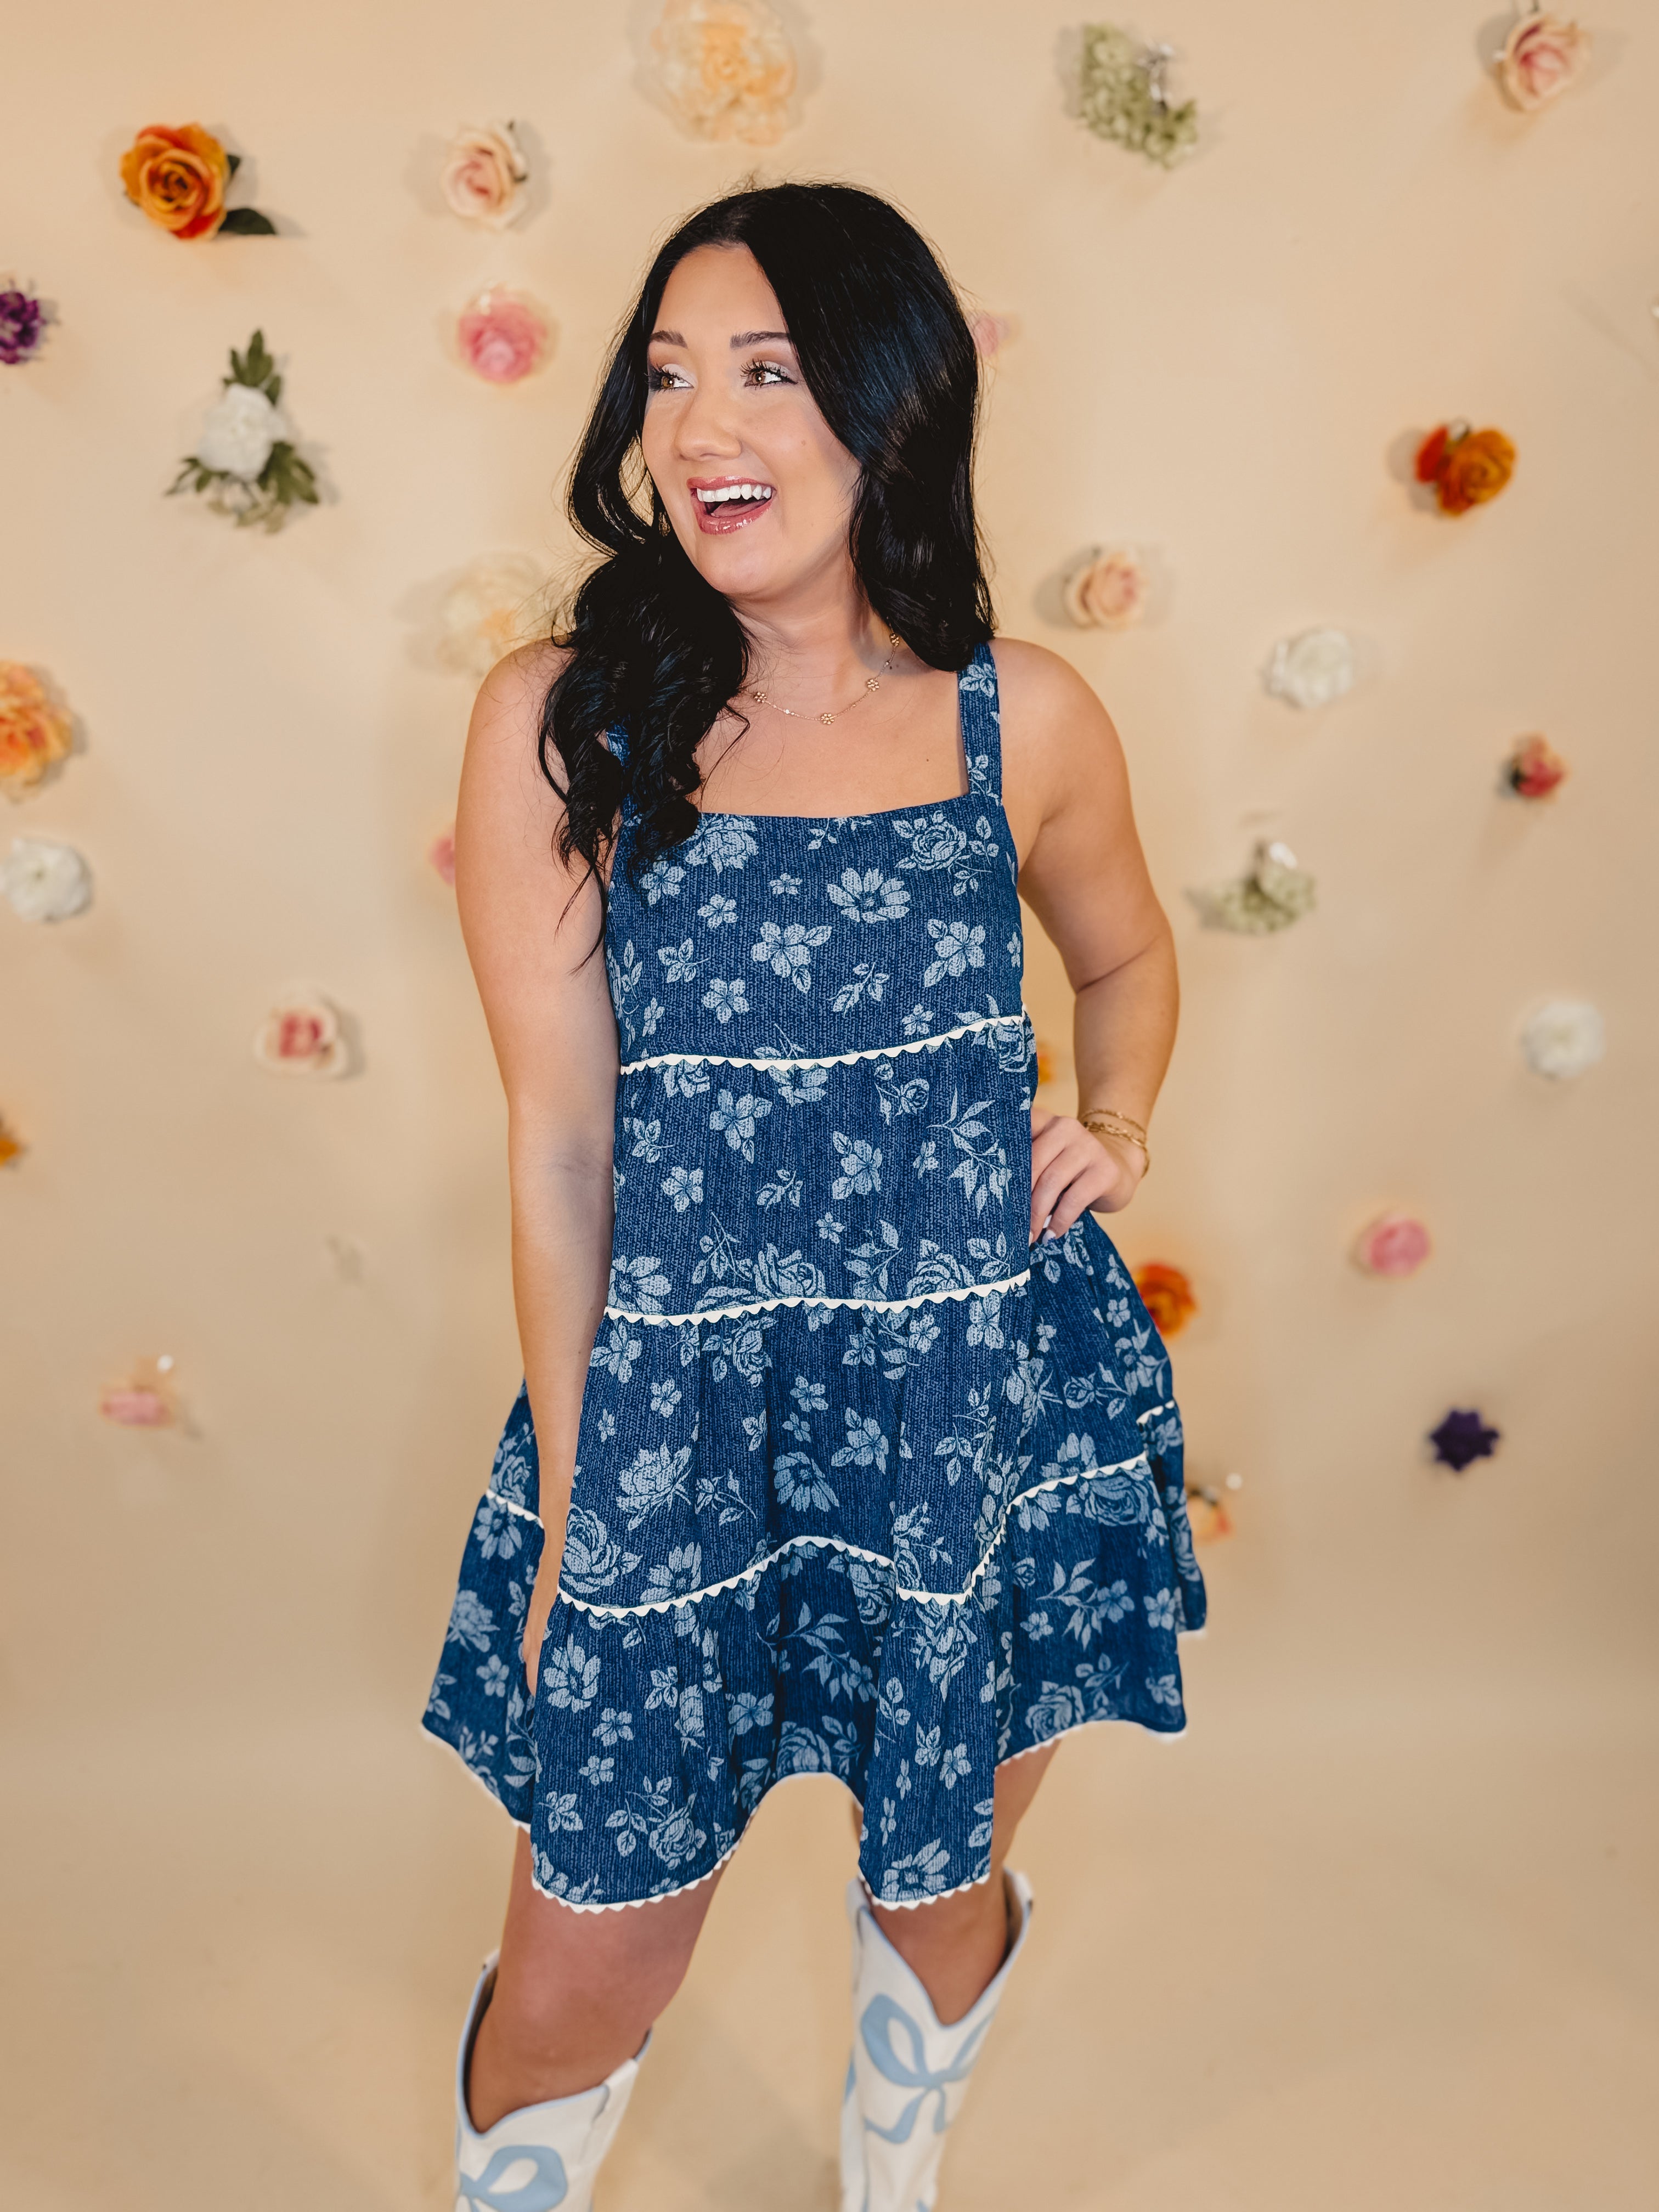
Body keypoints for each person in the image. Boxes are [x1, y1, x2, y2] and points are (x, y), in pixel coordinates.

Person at [423, 180, 1206, 2212]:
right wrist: (587, 1510)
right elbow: (561, 1146)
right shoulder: (563, 723)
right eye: (672, 376)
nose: (703, 428)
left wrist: (1119, 1124)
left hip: (980, 1405)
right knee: (587, 1962)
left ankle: (891, 2181)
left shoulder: (1021, 716)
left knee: (938, 1887)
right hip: (678, 1424)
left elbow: (1127, 957)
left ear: (890, 402)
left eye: (768, 372)